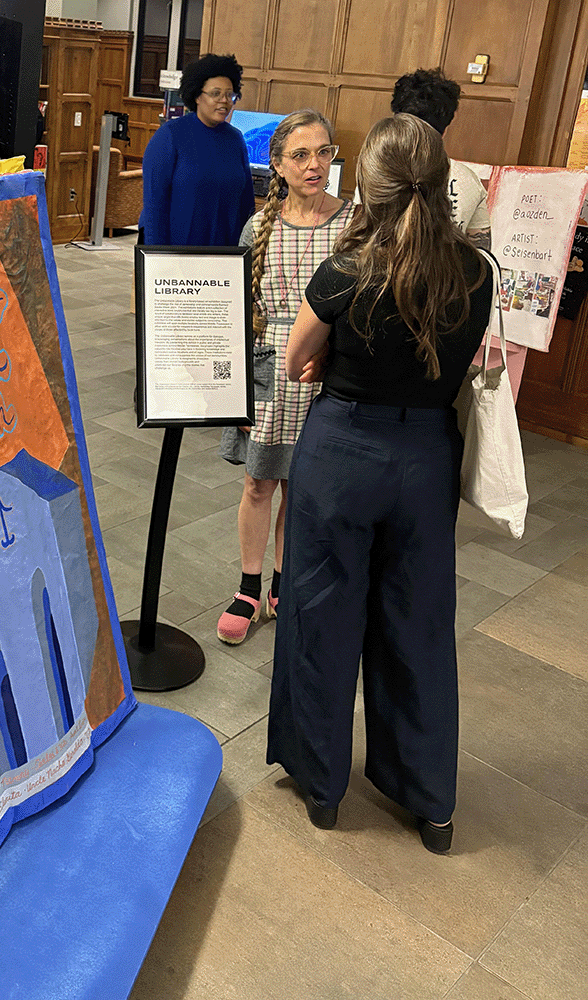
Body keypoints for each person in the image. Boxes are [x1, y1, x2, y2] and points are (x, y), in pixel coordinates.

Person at [266, 114, 494, 854]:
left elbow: (297, 358)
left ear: (369, 184)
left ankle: (324, 786)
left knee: (321, 612)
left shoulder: (345, 269)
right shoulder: (477, 272)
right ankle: (429, 802)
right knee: (418, 625)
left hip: (343, 451)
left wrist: (337, 363)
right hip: (425, 458)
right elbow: (454, 366)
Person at [216, 111, 352, 644]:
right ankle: (249, 586)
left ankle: (283, 579)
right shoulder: (260, 226)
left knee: (303, 488)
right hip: (271, 372)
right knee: (259, 482)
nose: (315, 165)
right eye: (300, 155)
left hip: (326, 374)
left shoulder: (353, 224)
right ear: (277, 164)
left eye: (324, 152)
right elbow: (239, 307)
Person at [140, 53, 254, 246]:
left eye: (229, 94)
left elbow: (246, 203)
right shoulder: (169, 136)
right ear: (197, 96)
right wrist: (156, 259)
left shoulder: (236, 139)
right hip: (177, 252)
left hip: (225, 251)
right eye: (215, 93)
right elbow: (154, 207)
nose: (224, 100)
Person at [390, 67, 491, 248]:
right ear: (446, 127)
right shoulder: (468, 180)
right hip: (448, 274)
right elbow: (482, 254)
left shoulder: (375, 170)